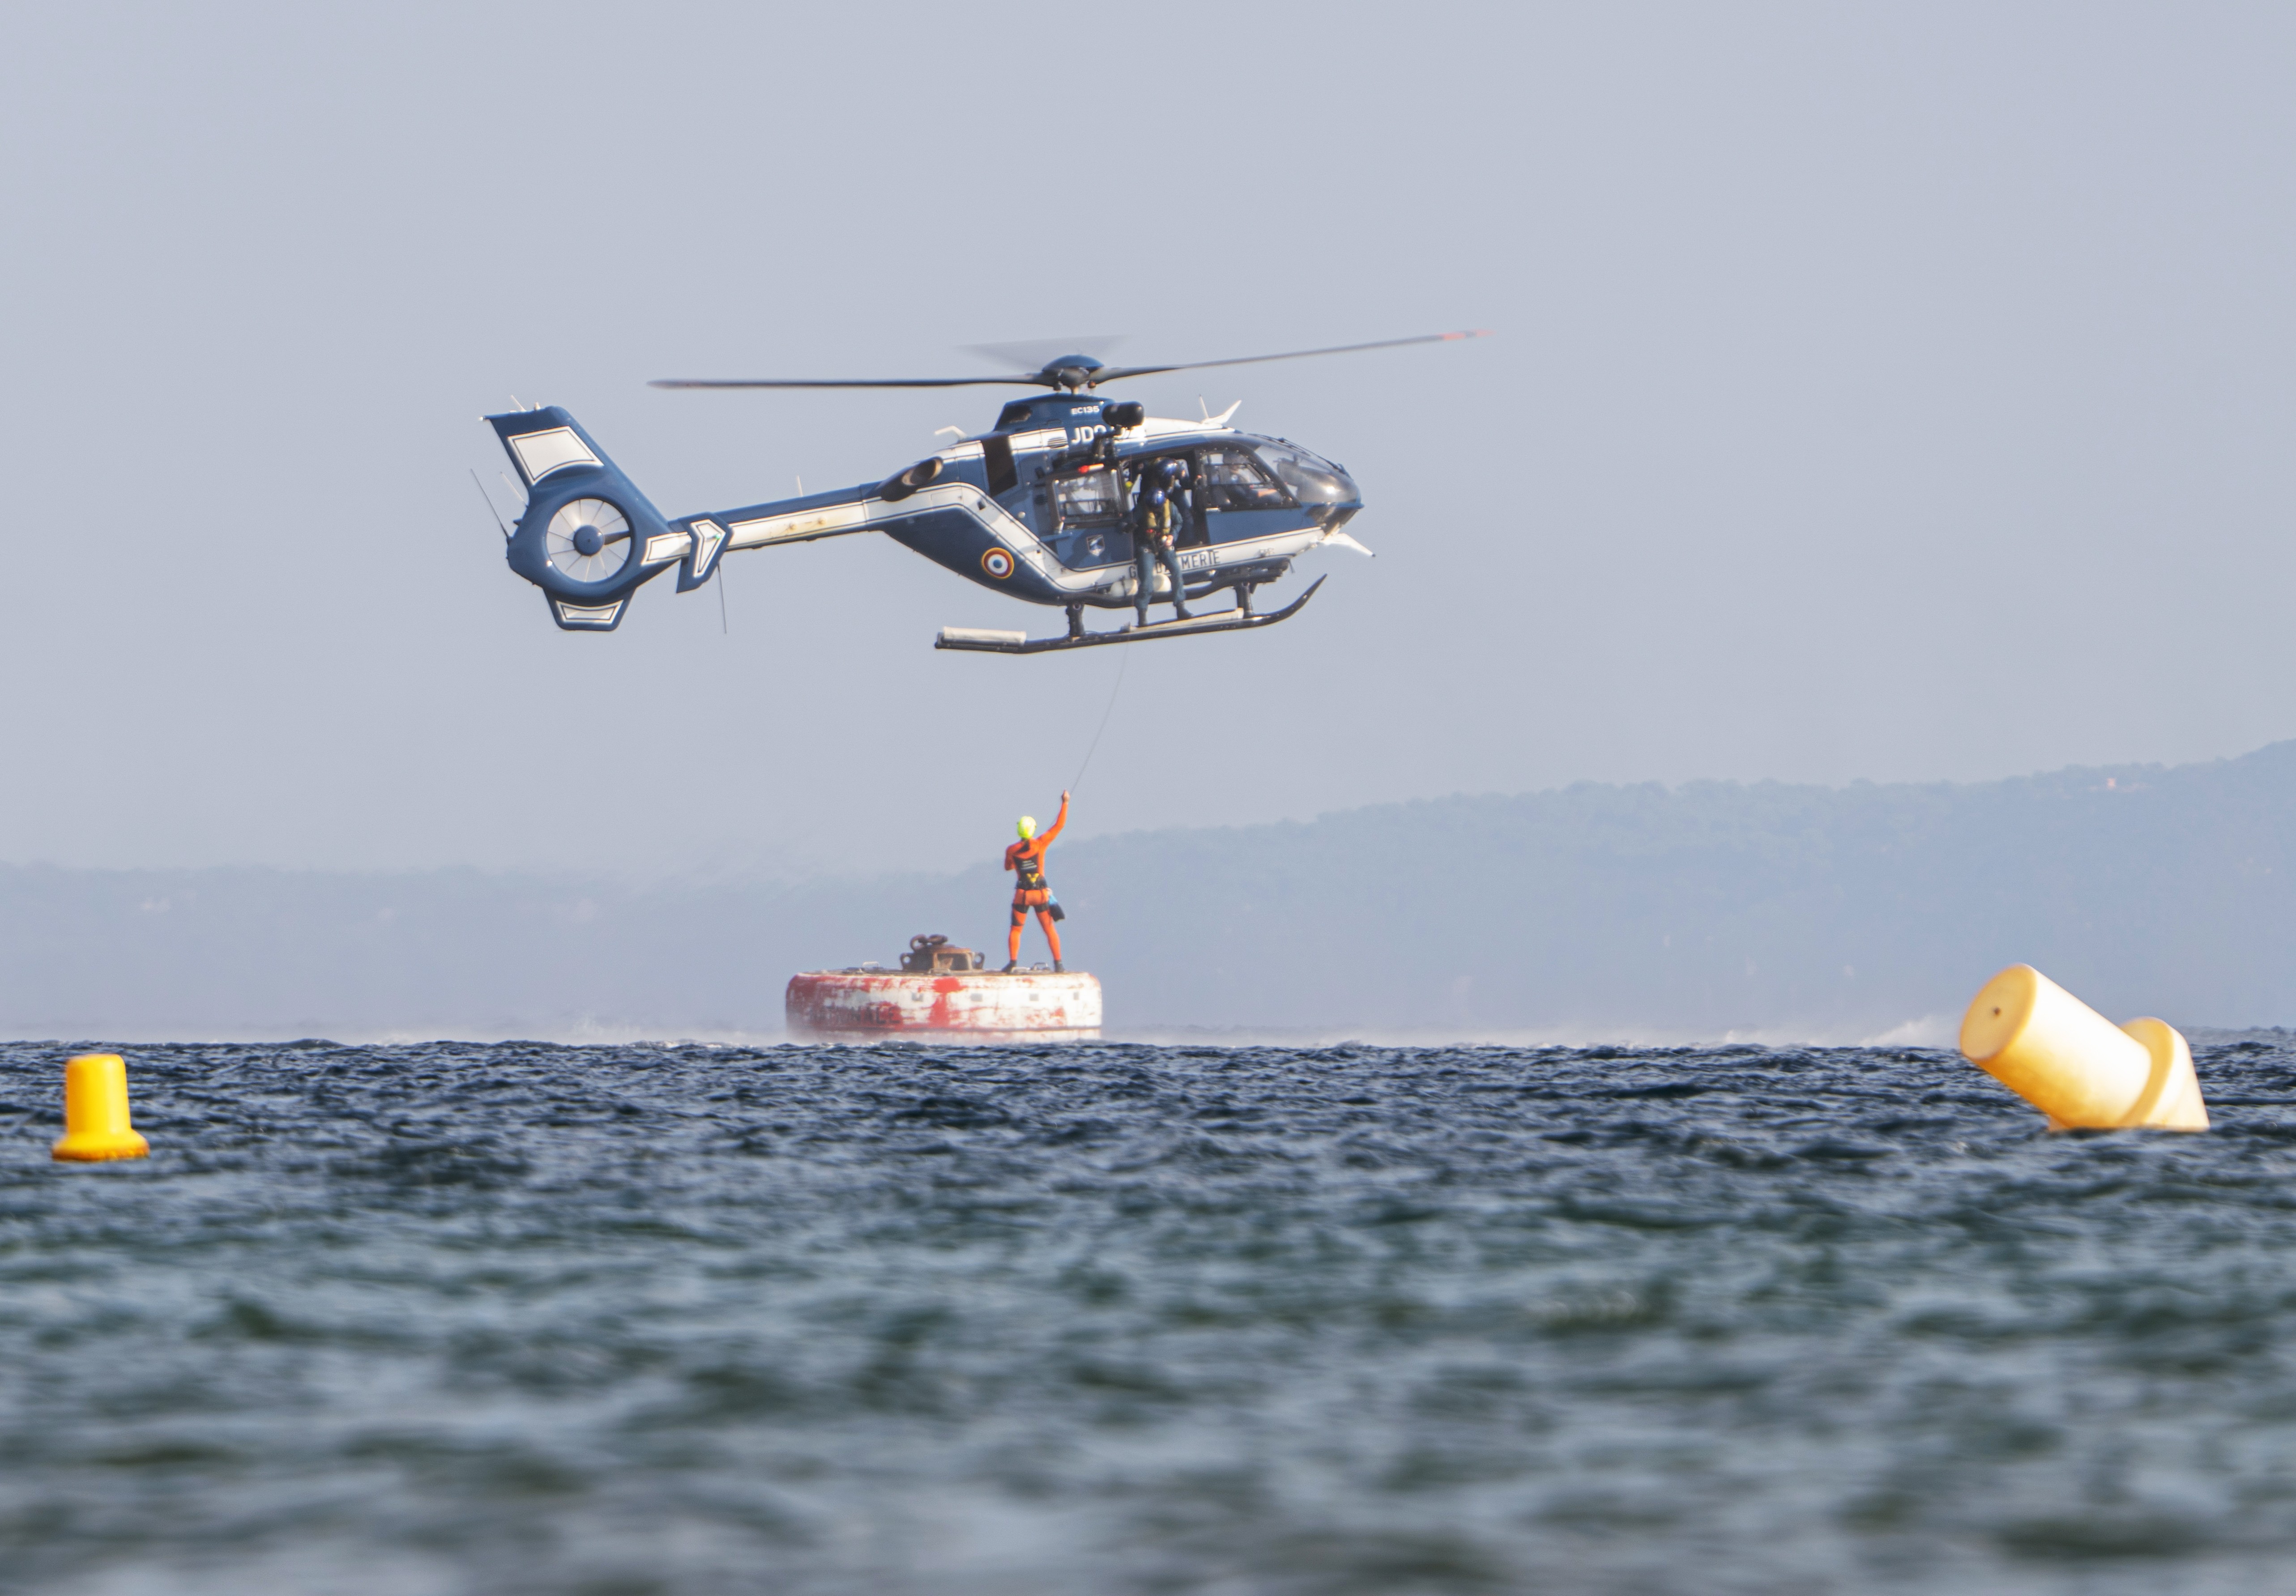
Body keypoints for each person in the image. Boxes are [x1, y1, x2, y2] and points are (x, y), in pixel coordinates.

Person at [1004, 791, 1070, 972]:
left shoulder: (1012, 850)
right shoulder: (1040, 844)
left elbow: (1008, 867)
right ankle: (1059, 964)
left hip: (1022, 895)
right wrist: (1065, 803)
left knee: (1016, 930)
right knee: (1049, 929)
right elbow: (1059, 825)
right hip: (1040, 894)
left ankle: (1013, 963)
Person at [1133, 459, 1192, 627]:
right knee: (1147, 582)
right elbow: (1129, 520)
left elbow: (1179, 522)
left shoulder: (1170, 506)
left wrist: (1172, 536)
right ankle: (1142, 615)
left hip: (1165, 545)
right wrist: (1127, 525)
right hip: (1147, 546)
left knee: (1177, 572)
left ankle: (1181, 607)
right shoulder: (1142, 509)